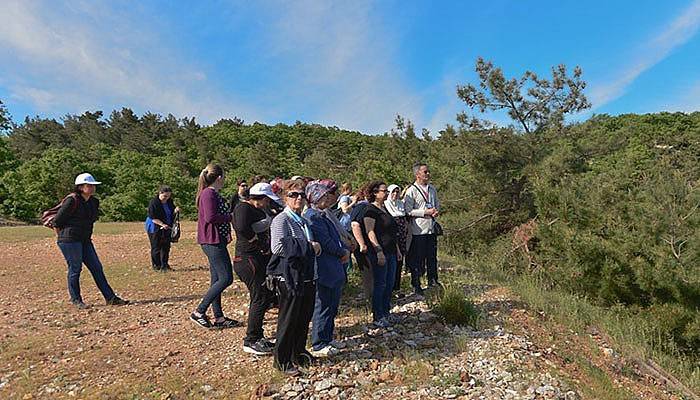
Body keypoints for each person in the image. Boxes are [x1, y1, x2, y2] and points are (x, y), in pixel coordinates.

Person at [267, 179, 321, 376]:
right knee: (288, 320)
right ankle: (281, 360)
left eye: (302, 195)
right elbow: (278, 247)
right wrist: (309, 247)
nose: (298, 198)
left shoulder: (303, 220)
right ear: (285, 198)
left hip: (307, 276)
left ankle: (298, 353)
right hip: (289, 277)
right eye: (293, 195)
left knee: (303, 318)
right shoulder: (281, 220)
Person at [54, 173, 129, 309]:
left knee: (96, 268)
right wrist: (62, 237)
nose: (93, 188)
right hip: (70, 240)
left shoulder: (94, 202)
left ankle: (110, 298)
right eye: (89, 185)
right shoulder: (72, 200)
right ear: (81, 187)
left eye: (93, 185)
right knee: (75, 268)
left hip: (85, 240)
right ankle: (76, 300)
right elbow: (57, 221)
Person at [190, 164, 241, 329]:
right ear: (219, 177)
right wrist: (230, 217)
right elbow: (211, 217)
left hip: (215, 239)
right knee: (226, 278)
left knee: (216, 279)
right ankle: (199, 311)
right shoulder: (208, 194)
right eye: (224, 176)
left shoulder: (212, 193)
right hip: (211, 241)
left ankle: (219, 317)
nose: (225, 179)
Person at [304, 180, 350, 357]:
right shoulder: (313, 217)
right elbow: (326, 242)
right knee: (323, 304)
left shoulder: (323, 214)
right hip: (324, 267)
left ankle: (327, 337)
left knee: (332, 304)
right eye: (326, 195)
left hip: (333, 266)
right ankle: (319, 342)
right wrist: (341, 252)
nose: (331, 198)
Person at [232, 182, 278, 355]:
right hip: (247, 258)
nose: (267, 203)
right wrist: (256, 242)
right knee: (259, 297)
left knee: (263, 296)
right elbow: (241, 227)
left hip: (257, 257)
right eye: (266, 200)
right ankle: (251, 339)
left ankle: (257, 335)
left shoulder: (259, 210)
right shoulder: (243, 208)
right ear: (261, 198)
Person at [362, 181, 399, 328]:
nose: (387, 194)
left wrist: (397, 250)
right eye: (384, 191)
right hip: (379, 252)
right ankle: (378, 316)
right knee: (380, 284)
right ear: (375, 193)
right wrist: (378, 251)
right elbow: (370, 231)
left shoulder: (384, 208)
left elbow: (391, 231)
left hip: (391, 251)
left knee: (389, 284)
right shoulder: (370, 210)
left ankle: (386, 312)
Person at [403, 163, 440, 296]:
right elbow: (408, 211)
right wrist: (425, 212)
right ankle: (416, 283)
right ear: (417, 174)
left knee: (432, 256)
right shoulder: (411, 191)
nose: (428, 174)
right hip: (418, 230)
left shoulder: (432, 189)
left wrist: (435, 212)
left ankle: (433, 280)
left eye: (428, 171)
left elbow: (437, 205)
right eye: (425, 172)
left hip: (431, 228)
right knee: (417, 258)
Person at [145, 186, 180, 271]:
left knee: (166, 246)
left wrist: (176, 210)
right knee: (156, 246)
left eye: (168, 196)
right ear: (160, 193)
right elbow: (153, 217)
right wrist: (162, 224)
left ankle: (164, 265)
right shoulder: (154, 203)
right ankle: (157, 266)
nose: (166, 198)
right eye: (164, 196)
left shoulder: (169, 202)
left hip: (167, 226)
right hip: (154, 226)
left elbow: (171, 212)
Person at [349, 184, 373, 299]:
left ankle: (371, 294)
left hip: (369, 243)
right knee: (367, 270)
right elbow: (354, 224)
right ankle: (369, 295)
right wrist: (361, 243)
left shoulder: (368, 206)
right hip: (363, 244)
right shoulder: (361, 207)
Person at [385, 184, 409, 294]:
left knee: (400, 261)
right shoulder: (385, 205)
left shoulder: (400, 204)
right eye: (393, 192)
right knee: (391, 261)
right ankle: (389, 288)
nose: (395, 194)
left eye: (397, 192)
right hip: (391, 237)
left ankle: (396, 287)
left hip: (402, 237)